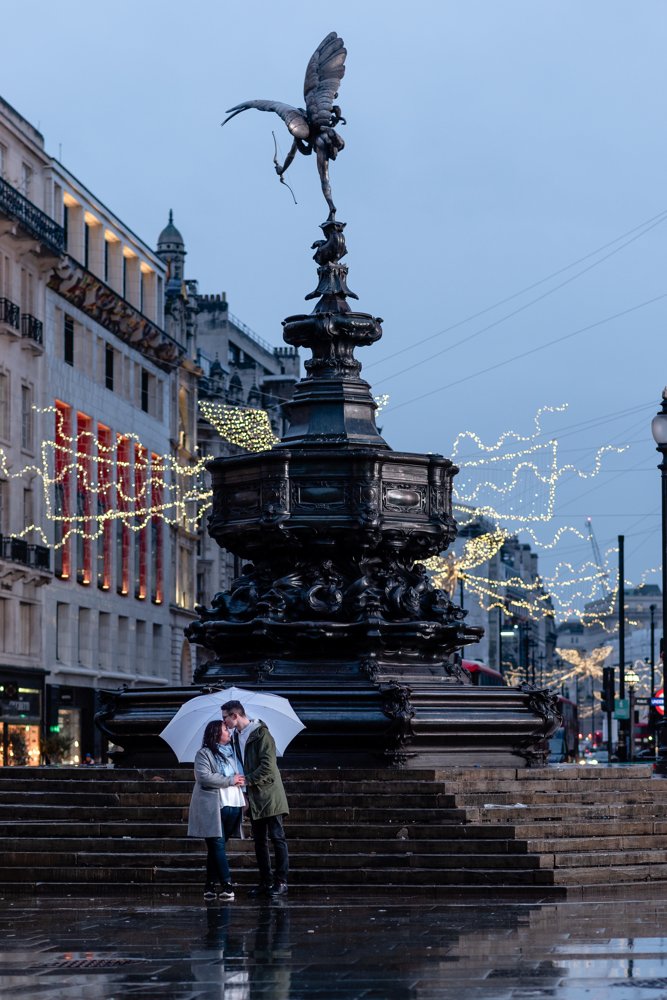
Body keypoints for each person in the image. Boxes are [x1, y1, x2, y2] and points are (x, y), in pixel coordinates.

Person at [221, 699, 289, 897]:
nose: (224, 722)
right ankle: (266, 882)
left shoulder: (262, 735)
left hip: (270, 794)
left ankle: (281, 881)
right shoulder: (235, 738)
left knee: (277, 838)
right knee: (259, 840)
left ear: (235, 715)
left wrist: (245, 781)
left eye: (225, 718)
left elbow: (268, 767)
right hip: (253, 796)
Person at [187, 719, 245, 901]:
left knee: (215, 847)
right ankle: (227, 885)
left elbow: (241, 776)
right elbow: (205, 778)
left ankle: (209, 886)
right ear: (215, 734)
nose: (228, 732)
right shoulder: (204, 754)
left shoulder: (234, 753)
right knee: (217, 845)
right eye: (224, 729)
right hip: (213, 806)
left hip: (234, 805)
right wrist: (230, 780)